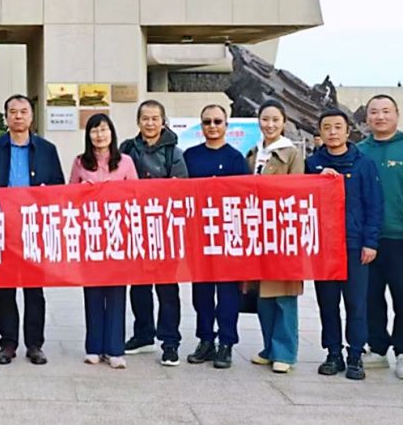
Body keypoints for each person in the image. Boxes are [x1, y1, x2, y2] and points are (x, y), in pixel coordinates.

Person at [0, 94, 64, 366]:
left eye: (23, 111)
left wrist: (47, 193)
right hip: (3, 227)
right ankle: (8, 343)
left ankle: (34, 345)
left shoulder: (47, 150)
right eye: (13, 112)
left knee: (34, 289)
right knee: (5, 288)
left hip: (35, 228)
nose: (18, 116)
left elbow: (59, 186)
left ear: (31, 116)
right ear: (6, 117)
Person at [357, 95, 403, 379]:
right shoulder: (360, 151)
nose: (380, 117)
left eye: (386, 111)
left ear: (397, 115)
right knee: (370, 296)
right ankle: (377, 347)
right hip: (369, 239)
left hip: (402, 238)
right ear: (367, 118)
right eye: (374, 112)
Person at [307, 108, 384, 381]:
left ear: (347, 131)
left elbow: (374, 205)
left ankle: (355, 355)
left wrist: (370, 242)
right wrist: (317, 181)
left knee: (356, 303)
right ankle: (333, 353)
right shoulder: (312, 164)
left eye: (338, 127)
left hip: (353, 244)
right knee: (327, 303)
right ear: (320, 132)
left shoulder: (364, 164)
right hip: (323, 246)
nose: (332, 132)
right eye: (327, 127)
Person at [120, 100, 189, 366]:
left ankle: (170, 342)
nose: (150, 123)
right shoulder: (127, 149)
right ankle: (143, 334)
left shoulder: (174, 153)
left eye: (155, 118)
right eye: (145, 118)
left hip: (164, 229)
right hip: (135, 228)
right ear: (138, 121)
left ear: (163, 121)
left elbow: (180, 190)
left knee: (167, 288)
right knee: (138, 286)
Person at [182, 104, 250, 369]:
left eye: (217, 121)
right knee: (201, 293)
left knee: (228, 293)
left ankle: (226, 343)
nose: (212, 126)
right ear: (201, 126)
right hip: (199, 235)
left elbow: (245, 196)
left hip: (227, 236)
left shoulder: (235, 158)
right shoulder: (190, 156)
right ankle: (206, 340)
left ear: (226, 125)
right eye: (207, 122)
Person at [69, 112, 138, 369]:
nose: (100, 135)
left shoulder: (126, 162)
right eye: (95, 130)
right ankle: (94, 347)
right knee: (93, 292)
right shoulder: (80, 162)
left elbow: (136, 195)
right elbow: (69, 195)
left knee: (117, 293)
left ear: (112, 133)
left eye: (104, 129)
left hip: (118, 234)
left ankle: (115, 349)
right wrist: (83, 191)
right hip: (90, 235)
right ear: (88, 135)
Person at [244, 101, 305, 374]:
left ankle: (285, 353)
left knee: (284, 295)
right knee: (263, 296)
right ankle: (269, 348)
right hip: (257, 233)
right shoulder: (254, 152)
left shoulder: (291, 153)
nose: (269, 125)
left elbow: (297, 191)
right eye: (265, 119)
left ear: (283, 123)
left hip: (282, 233)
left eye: (275, 120)